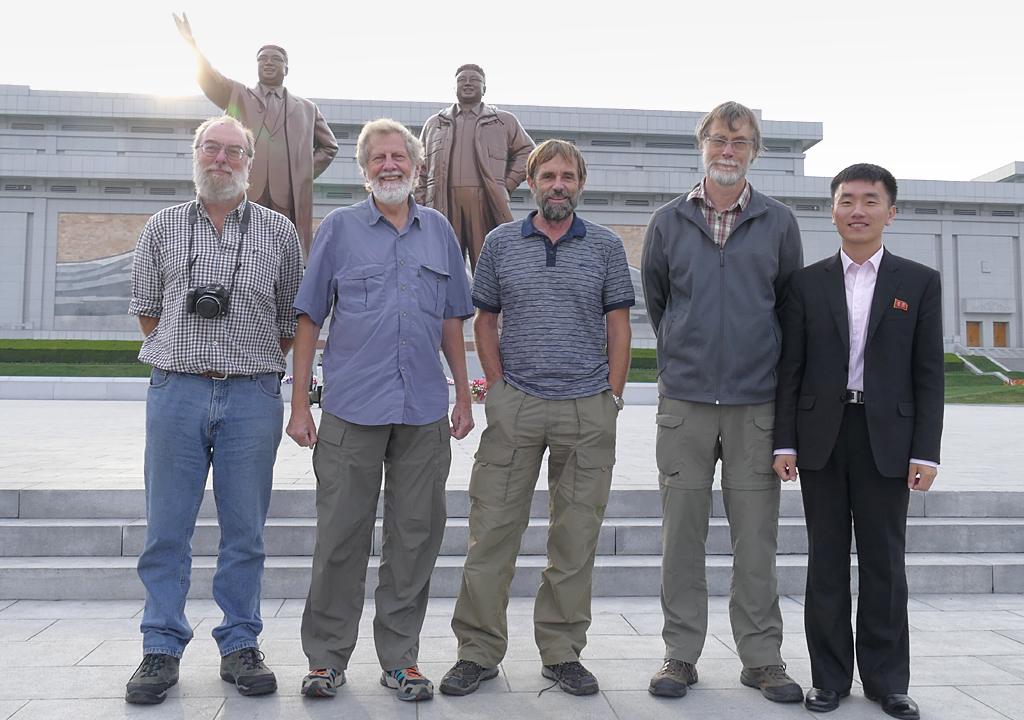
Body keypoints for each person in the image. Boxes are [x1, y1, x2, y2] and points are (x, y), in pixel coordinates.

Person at [286, 118, 474, 703]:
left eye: (400, 157)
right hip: (349, 408)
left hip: (422, 409)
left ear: (417, 169)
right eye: (378, 158)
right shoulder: (339, 230)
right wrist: (299, 404)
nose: (389, 166)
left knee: (415, 537)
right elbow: (309, 317)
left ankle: (401, 659)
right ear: (363, 169)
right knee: (340, 537)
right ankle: (326, 659)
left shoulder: (438, 231)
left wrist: (463, 393)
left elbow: (451, 320)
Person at [440, 139, 634, 697]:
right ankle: (477, 652)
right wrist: (497, 389)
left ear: (580, 184)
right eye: (547, 175)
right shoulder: (502, 243)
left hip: (587, 408)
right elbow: (485, 320)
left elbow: (618, 326)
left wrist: (612, 396)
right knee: (492, 535)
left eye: (568, 176)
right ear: (529, 182)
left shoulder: (603, 246)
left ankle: (562, 651)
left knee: (575, 539)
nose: (558, 184)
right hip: (517, 407)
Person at [125, 115, 302, 705]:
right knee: (165, 528)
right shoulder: (161, 226)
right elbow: (149, 311)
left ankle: (239, 643)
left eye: (234, 151)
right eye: (211, 149)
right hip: (176, 390)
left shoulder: (279, 232)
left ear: (250, 162)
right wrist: (190, 356)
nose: (221, 160)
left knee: (245, 531)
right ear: (195, 155)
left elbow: (286, 323)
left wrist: (243, 360)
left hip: (252, 394)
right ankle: (160, 646)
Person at [640, 101, 804, 703]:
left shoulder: (779, 222)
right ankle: (680, 654)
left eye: (739, 140)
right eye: (717, 139)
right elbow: (659, 304)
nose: (727, 149)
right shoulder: (667, 221)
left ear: (755, 151)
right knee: (679, 536)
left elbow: (789, 310)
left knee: (755, 538)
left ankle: (761, 657)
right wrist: (687, 353)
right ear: (701, 146)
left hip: (755, 406)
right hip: (684, 404)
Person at [773, 164, 943, 720]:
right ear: (833, 210)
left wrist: (925, 450)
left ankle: (888, 681)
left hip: (888, 439)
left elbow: (928, 374)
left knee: (884, 565)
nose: (858, 210)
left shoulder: (918, 282)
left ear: (890, 213)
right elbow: (789, 369)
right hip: (823, 437)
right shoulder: (805, 281)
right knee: (824, 563)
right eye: (848, 200)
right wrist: (784, 442)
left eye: (871, 200)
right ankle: (828, 679)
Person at [174, 12, 339, 255]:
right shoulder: (239, 95)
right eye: (263, 59)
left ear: (287, 68)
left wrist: (301, 173)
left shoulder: (307, 108)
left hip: (288, 200)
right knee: (239, 250)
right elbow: (210, 79)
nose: (269, 63)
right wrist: (192, 46)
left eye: (275, 59)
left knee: (286, 256)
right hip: (246, 190)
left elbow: (329, 147)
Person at [416, 64, 534, 271]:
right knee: (444, 261)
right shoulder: (435, 123)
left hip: (485, 199)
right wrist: (420, 201)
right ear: (454, 87)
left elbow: (528, 152)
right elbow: (420, 168)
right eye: (462, 80)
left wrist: (505, 185)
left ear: (484, 88)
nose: (468, 83)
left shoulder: (503, 120)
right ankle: (447, 304)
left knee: (487, 261)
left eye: (474, 79)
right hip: (443, 200)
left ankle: (488, 304)